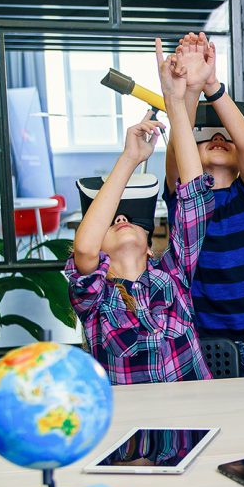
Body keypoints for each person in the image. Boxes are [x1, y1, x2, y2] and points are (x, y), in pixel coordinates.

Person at [66, 39, 213, 384]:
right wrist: (130, 159)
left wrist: (175, 100)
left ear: (150, 245)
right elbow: (84, 249)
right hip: (135, 434)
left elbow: (192, 195)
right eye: (113, 218)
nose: (121, 218)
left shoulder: (174, 275)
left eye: (130, 218)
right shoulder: (96, 300)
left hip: (195, 426)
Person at [162, 32, 244, 377]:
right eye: (207, 138)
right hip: (196, 341)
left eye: (226, 138)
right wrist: (188, 91)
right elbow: (179, 141)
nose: (219, 139)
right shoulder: (185, 200)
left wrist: (212, 85)